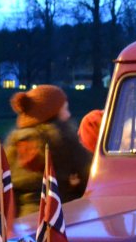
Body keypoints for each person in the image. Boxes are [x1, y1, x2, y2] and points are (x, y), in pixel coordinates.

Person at [5, 85, 90, 215]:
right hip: (59, 215)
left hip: (24, 217)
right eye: (65, 109)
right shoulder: (62, 139)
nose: (68, 114)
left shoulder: (13, 145)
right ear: (52, 113)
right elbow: (88, 177)